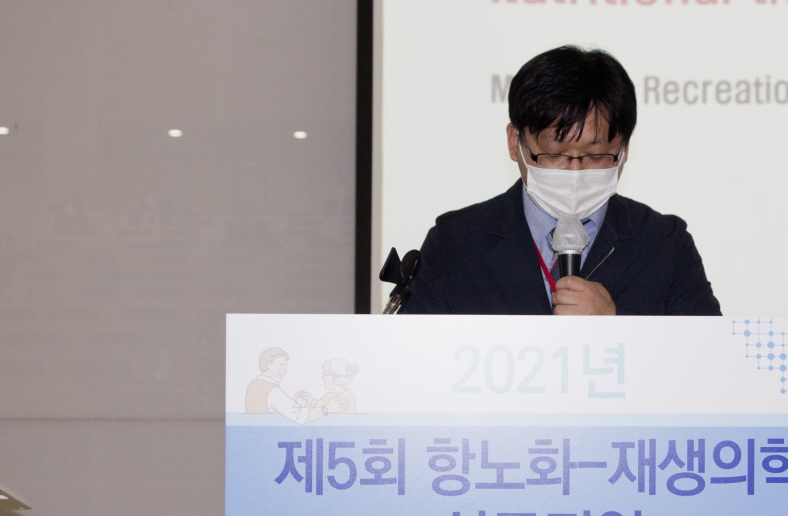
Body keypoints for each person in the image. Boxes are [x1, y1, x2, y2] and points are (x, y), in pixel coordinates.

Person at [401, 45, 721, 316]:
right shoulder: (456, 243)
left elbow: (711, 359)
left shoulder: (665, 245)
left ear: (623, 150)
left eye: (595, 155)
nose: (574, 172)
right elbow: (415, 358)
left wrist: (620, 326)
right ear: (515, 142)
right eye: (555, 154)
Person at [244, 347, 342, 423]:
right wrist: (328, 408)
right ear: (269, 365)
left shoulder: (254, 384)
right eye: (281, 368)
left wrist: (293, 402)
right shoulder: (272, 390)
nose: (284, 372)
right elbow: (301, 416)